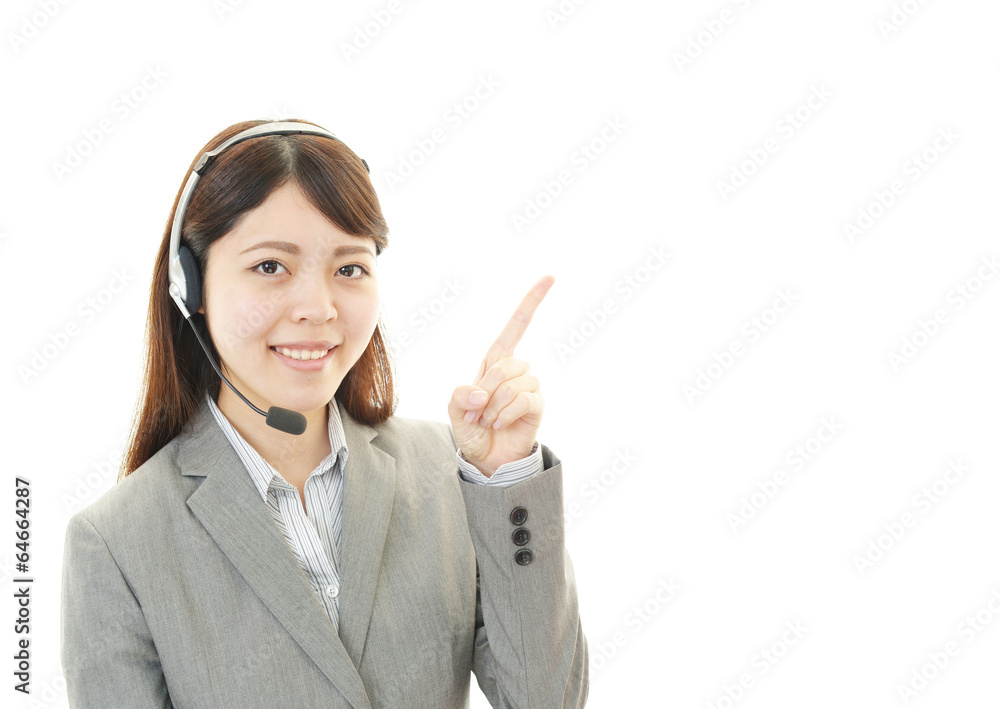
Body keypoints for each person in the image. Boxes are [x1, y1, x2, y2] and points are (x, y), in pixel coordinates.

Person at [59, 118, 589, 708]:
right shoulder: (115, 543)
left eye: (349, 268)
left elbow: (547, 700)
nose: (318, 308)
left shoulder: (454, 474)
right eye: (270, 266)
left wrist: (506, 478)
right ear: (192, 287)